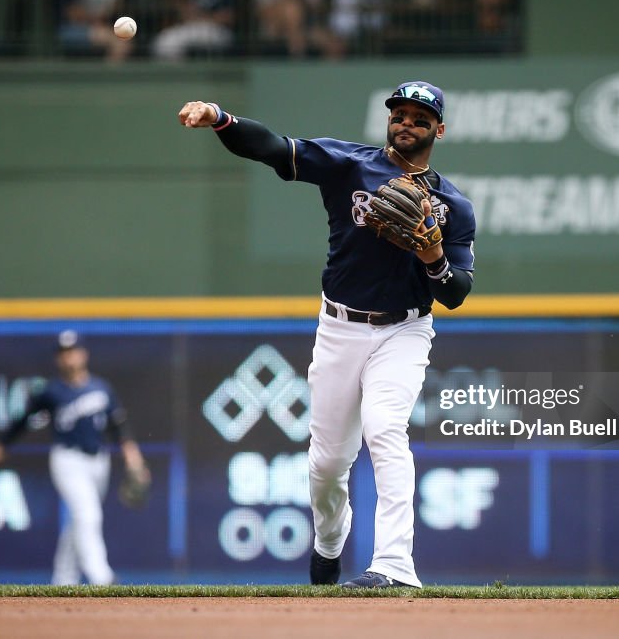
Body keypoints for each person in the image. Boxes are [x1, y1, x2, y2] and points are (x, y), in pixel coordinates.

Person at [177, 81, 476, 588]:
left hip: (404, 330)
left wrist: (433, 257)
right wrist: (220, 118)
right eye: (399, 114)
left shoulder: (453, 206)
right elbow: (272, 146)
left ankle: (395, 568)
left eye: (420, 117)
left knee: (385, 432)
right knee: (328, 464)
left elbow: (456, 293)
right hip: (339, 327)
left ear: (439, 129)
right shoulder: (350, 166)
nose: (407, 122)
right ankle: (328, 544)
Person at [0, 329, 148, 585]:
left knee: (79, 521)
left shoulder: (101, 389)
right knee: (88, 515)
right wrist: (2, 443)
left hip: (98, 460)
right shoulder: (51, 392)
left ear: (83, 354)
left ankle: (63, 579)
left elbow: (119, 428)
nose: (69, 357)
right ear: (58, 359)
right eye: (63, 353)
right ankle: (102, 577)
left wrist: (134, 458)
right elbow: (23, 420)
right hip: (68, 460)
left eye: (73, 351)